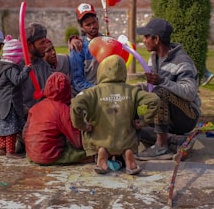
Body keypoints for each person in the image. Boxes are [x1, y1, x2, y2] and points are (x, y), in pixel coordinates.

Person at [70, 54, 160, 175]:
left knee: (92, 130)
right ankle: (128, 156)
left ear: (101, 71)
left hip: (99, 140)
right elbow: (154, 100)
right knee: (133, 126)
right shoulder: (133, 91)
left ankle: (102, 153)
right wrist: (144, 121)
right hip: (125, 140)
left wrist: (82, 125)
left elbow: (76, 105)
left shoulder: (93, 92)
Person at [134, 18, 201, 161]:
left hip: (186, 115)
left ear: (156, 39)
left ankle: (162, 145)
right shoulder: (154, 58)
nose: (144, 40)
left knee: (160, 92)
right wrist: (135, 90)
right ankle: (178, 141)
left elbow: (190, 92)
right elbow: (152, 87)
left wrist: (162, 81)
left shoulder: (182, 61)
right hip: (166, 117)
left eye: (146, 36)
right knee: (135, 124)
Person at [23, 72, 88, 165]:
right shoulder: (63, 110)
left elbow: (25, 132)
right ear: (66, 89)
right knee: (85, 152)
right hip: (49, 156)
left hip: (31, 154)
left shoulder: (35, 107)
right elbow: (77, 142)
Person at [0, 35, 31, 159]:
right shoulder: (10, 68)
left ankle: (1, 149)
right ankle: (10, 151)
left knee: (2, 127)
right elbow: (17, 80)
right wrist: (26, 70)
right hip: (9, 103)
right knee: (11, 128)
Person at [69, 3, 102, 96]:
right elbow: (78, 82)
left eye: (94, 22)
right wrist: (99, 90)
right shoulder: (78, 48)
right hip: (90, 95)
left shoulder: (107, 42)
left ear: (98, 20)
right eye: (88, 24)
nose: (92, 26)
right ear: (82, 27)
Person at [21, 22, 52, 110]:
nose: (45, 46)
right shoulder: (18, 66)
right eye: (42, 43)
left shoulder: (44, 66)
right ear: (30, 45)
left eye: (45, 42)